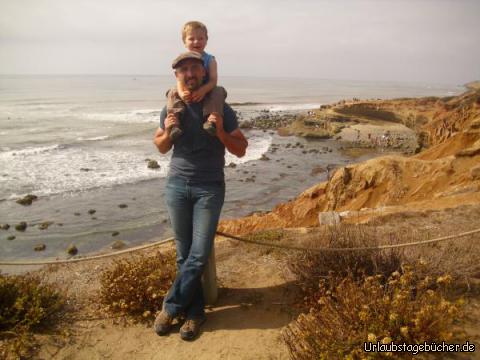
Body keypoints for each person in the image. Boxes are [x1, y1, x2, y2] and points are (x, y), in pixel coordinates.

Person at [153, 51, 248, 341]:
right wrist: (169, 133)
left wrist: (220, 131)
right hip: (177, 186)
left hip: (209, 187)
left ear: (204, 73)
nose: (190, 73)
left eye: (195, 68)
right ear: (177, 76)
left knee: (198, 253)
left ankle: (170, 306)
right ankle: (194, 315)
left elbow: (241, 148)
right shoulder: (172, 108)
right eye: (184, 70)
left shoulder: (220, 107)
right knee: (184, 255)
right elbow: (160, 146)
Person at [167, 21, 227, 141]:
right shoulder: (182, 59)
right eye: (191, 39)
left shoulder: (210, 60)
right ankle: (174, 123)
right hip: (188, 90)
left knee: (218, 91)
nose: (196, 42)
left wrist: (203, 90)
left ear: (206, 40)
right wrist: (181, 93)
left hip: (207, 89)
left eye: (200, 38)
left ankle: (211, 121)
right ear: (184, 42)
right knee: (172, 92)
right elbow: (179, 80)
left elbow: (213, 80)